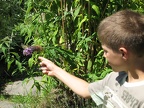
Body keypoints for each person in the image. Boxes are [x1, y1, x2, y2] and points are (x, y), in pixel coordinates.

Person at [38, 9, 144, 108]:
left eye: (105, 51)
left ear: (123, 53)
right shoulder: (115, 78)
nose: (104, 55)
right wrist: (55, 70)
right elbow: (85, 90)